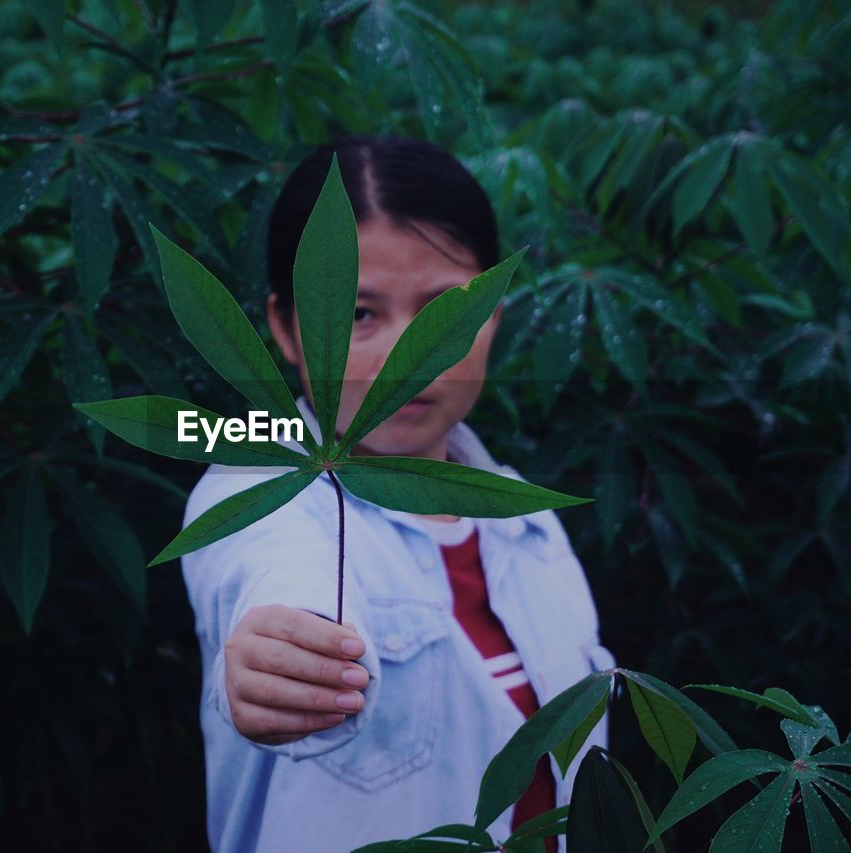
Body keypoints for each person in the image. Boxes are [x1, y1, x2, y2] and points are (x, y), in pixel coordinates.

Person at [180, 134, 616, 853]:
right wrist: (278, 661)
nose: (403, 359)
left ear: (492, 317)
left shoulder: (529, 517)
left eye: (445, 308)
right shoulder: (254, 485)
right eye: (359, 314)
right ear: (286, 329)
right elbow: (272, 576)